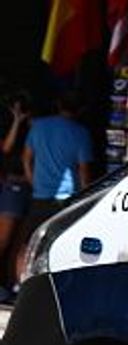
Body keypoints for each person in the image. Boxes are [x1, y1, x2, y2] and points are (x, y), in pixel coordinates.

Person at [19, 90, 93, 283]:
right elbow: (84, 171)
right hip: (66, 199)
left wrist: (32, 181)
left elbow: (26, 158)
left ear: (59, 104)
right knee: (58, 245)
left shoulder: (39, 126)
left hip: (40, 195)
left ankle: (20, 287)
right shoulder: (81, 133)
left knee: (28, 244)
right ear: (81, 110)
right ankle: (48, 287)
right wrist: (87, 198)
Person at [0, 94, 31, 304]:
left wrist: (17, 122)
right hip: (13, 189)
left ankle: (10, 285)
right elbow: (6, 149)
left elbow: (5, 149)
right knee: (6, 241)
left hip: (15, 189)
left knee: (15, 242)